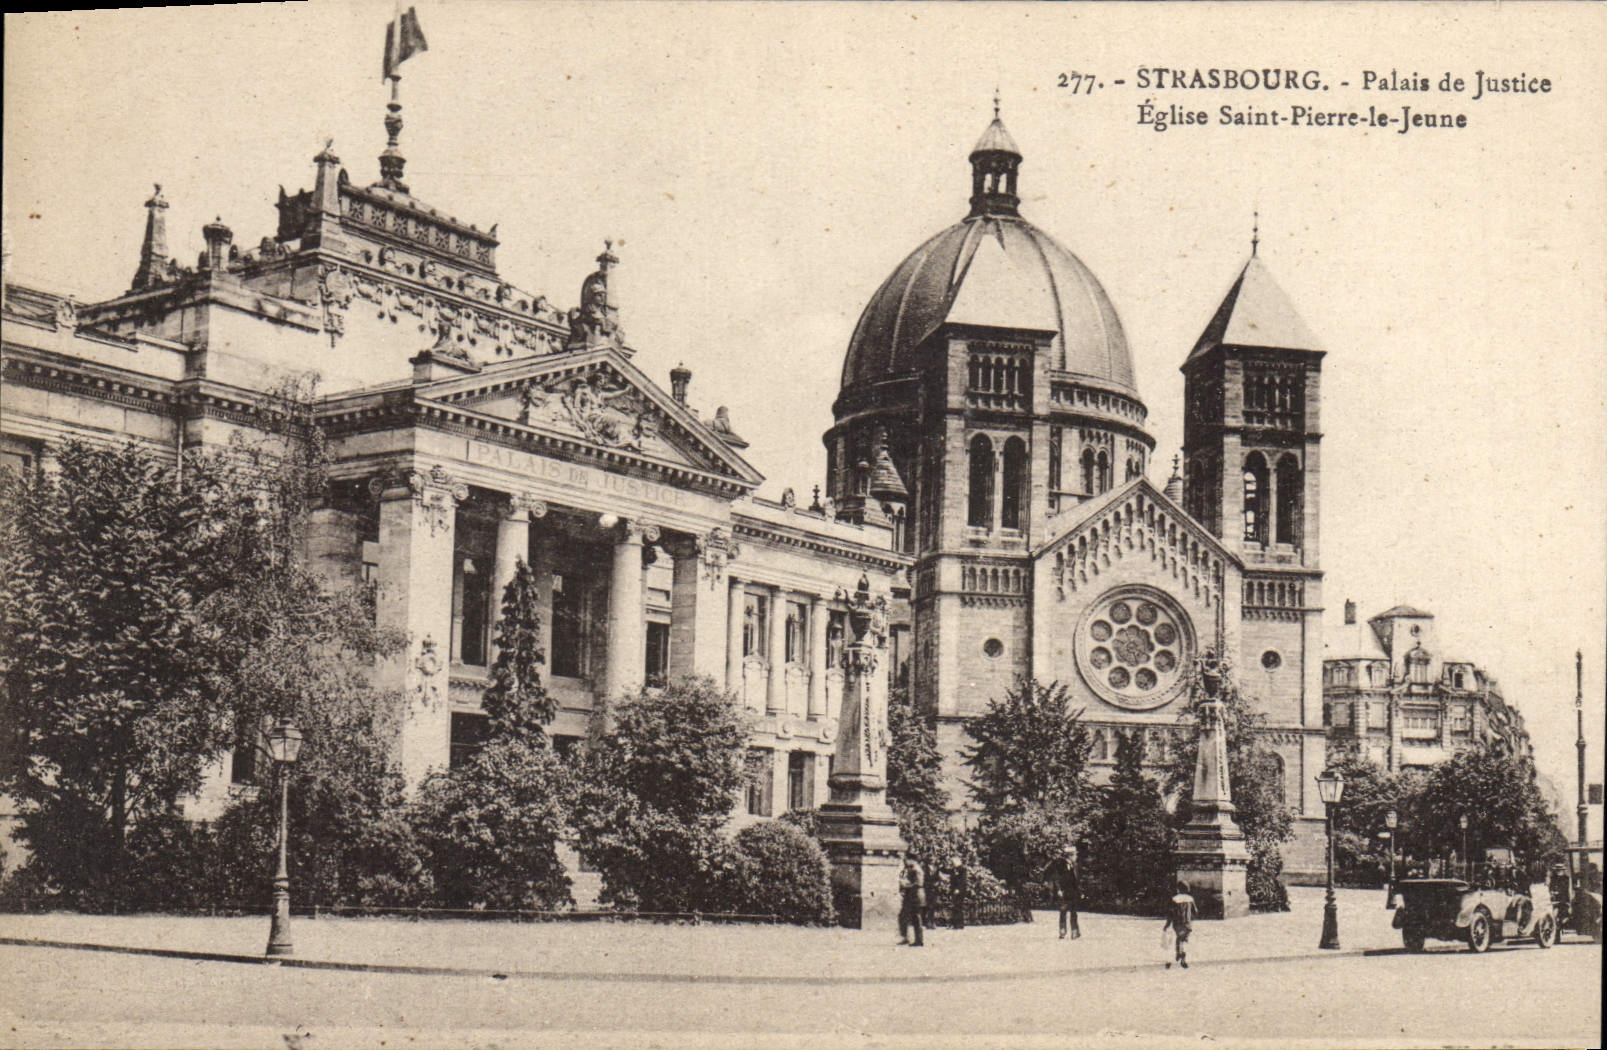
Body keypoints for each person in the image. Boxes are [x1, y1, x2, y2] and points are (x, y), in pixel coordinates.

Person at [1042, 845, 1081, 940]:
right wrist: (1058, 889)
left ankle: (1074, 932)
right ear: (1070, 856)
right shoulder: (1060, 865)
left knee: (1074, 912)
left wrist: (1080, 891)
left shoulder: (1075, 866)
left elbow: (1077, 880)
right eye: (1075, 855)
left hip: (1073, 891)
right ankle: (1062, 930)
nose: (1076, 857)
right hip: (1063, 891)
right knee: (1063, 910)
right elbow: (1056, 879)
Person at [1163, 880, 1196, 970]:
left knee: (1178, 939)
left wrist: (1167, 924)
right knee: (1183, 940)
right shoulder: (1190, 899)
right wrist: (1190, 918)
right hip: (1188, 924)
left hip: (1178, 923)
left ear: (1178, 889)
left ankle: (1179, 953)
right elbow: (1195, 911)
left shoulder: (1175, 899)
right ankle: (1182, 956)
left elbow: (1171, 913)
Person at [898, 855, 925, 947]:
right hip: (912, 895)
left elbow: (918, 883)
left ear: (912, 860)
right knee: (906, 916)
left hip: (916, 895)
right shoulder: (911, 868)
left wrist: (905, 884)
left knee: (916, 918)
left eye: (908, 859)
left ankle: (918, 940)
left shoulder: (916, 870)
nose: (906, 861)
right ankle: (908, 937)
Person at [948, 856, 969, 930]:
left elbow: (963, 881)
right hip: (954, 891)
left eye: (952, 863)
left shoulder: (962, 869)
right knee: (955, 907)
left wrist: (958, 889)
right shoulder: (953, 870)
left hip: (960, 891)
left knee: (958, 907)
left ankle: (959, 924)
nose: (952, 864)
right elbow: (952, 881)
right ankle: (955, 924)